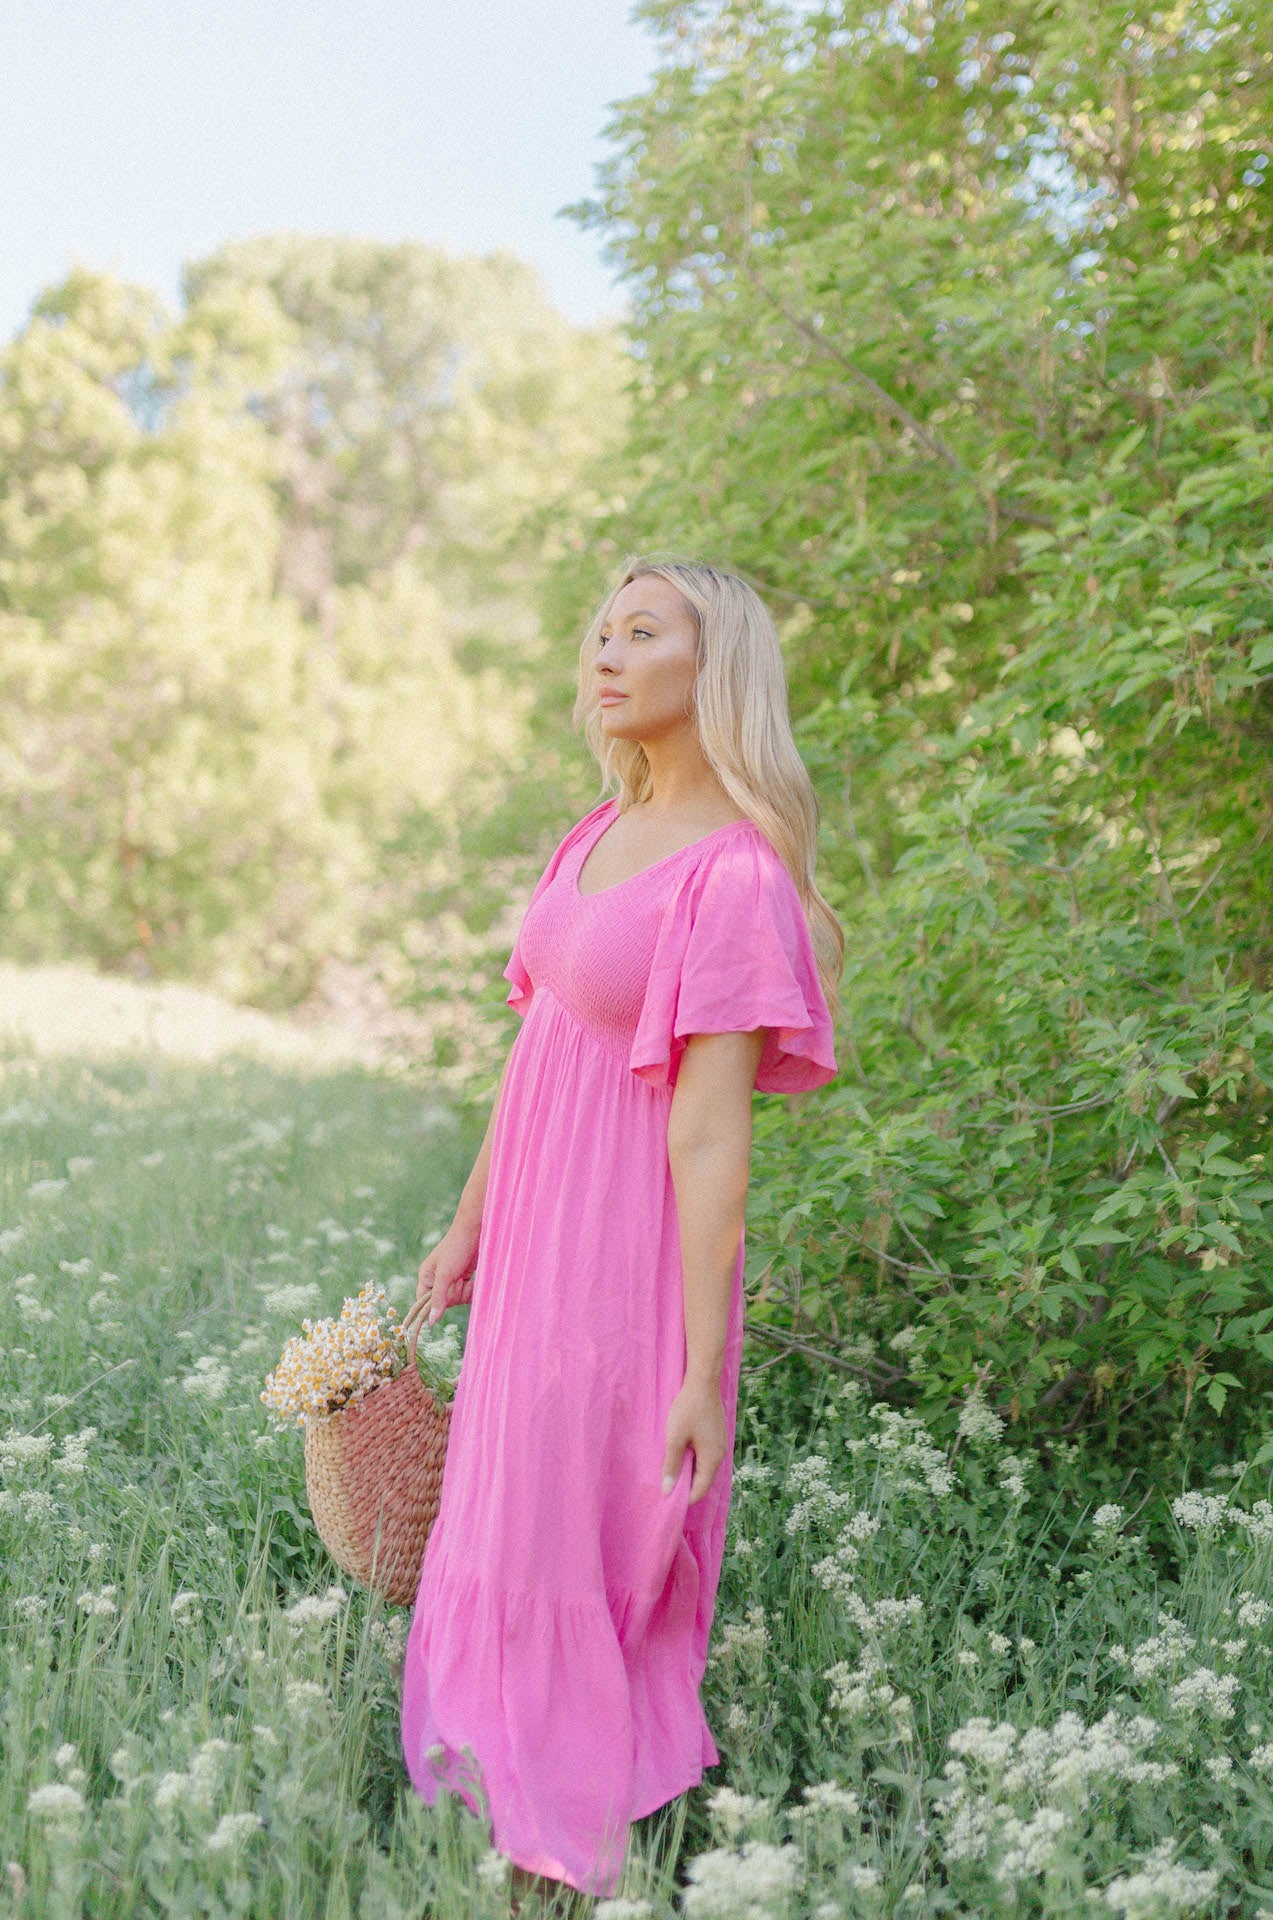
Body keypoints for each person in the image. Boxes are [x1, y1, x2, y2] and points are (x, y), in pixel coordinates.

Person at [399, 555, 842, 1915]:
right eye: (599, 629)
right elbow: (536, 1045)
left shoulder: (734, 879)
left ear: (713, 671)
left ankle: (569, 1844)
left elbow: (712, 1135)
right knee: (506, 1510)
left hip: (623, 1256)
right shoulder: (591, 834)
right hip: (533, 1233)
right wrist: (468, 1225)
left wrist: (707, 1367)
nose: (604, 651)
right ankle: (485, 1792)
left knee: (585, 1528)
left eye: (640, 631)